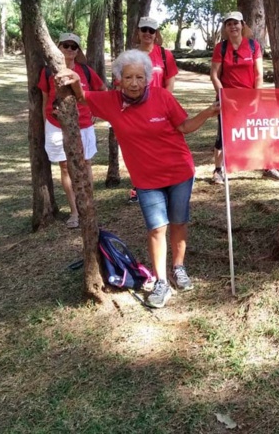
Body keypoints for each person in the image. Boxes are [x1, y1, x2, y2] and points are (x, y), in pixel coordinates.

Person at [62, 49, 219, 309]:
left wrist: (207, 112)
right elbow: (81, 97)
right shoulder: (111, 101)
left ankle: (178, 268)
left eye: (139, 77)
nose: (134, 83)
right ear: (119, 80)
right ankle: (161, 281)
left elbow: (184, 127)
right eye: (128, 77)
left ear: (147, 79)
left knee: (179, 221)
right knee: (157, 228)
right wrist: (73, 77)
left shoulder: (163, 96)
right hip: (146, 179)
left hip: (179, 171)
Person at [38, 33, 107, 228]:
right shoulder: (46, 72)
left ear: (78, 51)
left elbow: (102, 90)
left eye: (73, 47)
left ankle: (88, 206)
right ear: (58, 47)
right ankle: (75, 211)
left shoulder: (85, 70)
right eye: (65, 46)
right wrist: (45, 125)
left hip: (83, 123)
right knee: (65, 166)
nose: (69, 50)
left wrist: (96, 109)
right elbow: (44, 100)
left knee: (86, 164)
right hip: (56, 124)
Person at [210, 11, 279, 183]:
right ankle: (218, 169)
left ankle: (268, 166)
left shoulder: (253, 46)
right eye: (229, 24)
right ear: (226, 28)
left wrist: (256, 97)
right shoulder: (220, 48)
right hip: (227, 98)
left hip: (251, 97)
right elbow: (214, 75)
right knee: (223, 135)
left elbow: (259, 74)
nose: (233, 27)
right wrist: (223, 97)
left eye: (236, 23)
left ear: (242, 25)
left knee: (262, 130)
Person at [125, 16, 180, 204]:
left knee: (162, 146)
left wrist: (164, 104)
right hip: (136, 110)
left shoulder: (165, 54)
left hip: (160, 110)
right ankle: (138, 186)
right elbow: (121, 85)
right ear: (138, 32)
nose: (147, 34)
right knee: (139, 149)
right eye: (144, 30)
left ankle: (162, 182)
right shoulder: (130, 56)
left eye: (151, 30)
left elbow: (170, 81)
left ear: (156, 34)